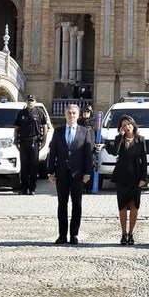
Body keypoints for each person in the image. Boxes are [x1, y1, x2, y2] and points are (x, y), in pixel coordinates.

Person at [48, 104, 93, 244]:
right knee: (62, 204)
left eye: (74, 113)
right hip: (61, 173)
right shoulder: (58, 131)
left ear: (78, 115)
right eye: (69, 113)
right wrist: (50, 172)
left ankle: (74, 234)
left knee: (77, 205)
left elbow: (88, 154)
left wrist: (87, 172)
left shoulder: (84, 132)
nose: (71, 115)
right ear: (65, 115)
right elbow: (52, 153)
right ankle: (62, 235)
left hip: (77, 174)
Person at [105, 115, 148, 245]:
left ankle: (131, 233)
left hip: (136, 176)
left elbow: (144, 160)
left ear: (133, 125)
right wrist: (119, 137)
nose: (126, 127)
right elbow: (114, 152)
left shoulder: (140, 140)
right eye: (123, 125)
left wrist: (143, 178)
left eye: (128, 124)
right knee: (122, 206)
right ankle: (123, 233)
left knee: (134, 206)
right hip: (122, 176)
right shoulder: (120, 139)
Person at [13, 94, 49, 195]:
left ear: (35, 102)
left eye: (32, 100)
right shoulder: (21, 113)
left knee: (34, 166)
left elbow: (45, 128)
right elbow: (16, 129)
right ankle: (23, 188)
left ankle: (32, 188)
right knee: (24, 166)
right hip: (24, 142)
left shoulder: (39, 113)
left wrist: (44, 141)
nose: (30, 102)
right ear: (26, 102)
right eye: (28, 100)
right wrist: (16, 141)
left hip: (35, 141)